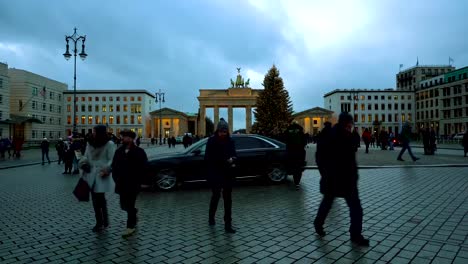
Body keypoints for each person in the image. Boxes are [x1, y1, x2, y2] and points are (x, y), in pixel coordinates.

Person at [314, 112, 369, 246]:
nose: (351, 127)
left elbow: (319, 156)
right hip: (341, 179)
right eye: (350, 125)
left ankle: (319, 223)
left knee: (329, 203)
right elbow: (322, 157)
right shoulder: (339, 137)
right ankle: (355, 235)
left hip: (338, 179)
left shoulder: (333, 135)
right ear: (346, 124)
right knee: (354, 208)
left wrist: (324, 173)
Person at [79, 125, 116, 232]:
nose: (93, 133)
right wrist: (84, 163)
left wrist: (107, 169)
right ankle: (101, 222)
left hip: (101, 173)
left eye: (95, 131)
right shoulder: (90, 143)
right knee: (96, 199)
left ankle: (102, 222)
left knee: (99, 199)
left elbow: (112, 159)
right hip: (90, 173)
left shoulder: (109, 144)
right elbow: (85, 156)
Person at [112, 129, 148, 238]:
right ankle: (134, 213)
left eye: (125, 137)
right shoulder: (119, 151)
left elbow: (144, 168)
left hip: (133, 183)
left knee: (130, 204)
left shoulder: (139, 151)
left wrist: (142, 182)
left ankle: (130, 226)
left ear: (131, 138)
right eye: (122, 136)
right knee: (123, 205)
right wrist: (116, 178)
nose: (122, 138)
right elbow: (114, 165)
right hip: (121, 183)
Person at [205, 118, 237, 234]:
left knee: (228, 199)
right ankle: (211, 217)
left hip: (227, 173)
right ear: (217, 131)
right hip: (216, 173)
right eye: (221, 131)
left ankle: (228, 224)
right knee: (216, 196)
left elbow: (234, 154)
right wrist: (225, 160)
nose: (223, 134)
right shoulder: (211, 141)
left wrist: (233, 159)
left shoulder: (230, 141)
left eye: (225, 131)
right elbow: (208, 158)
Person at [284, 121, 307, 190]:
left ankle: (295, 180)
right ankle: (297, 182)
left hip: (291, 152)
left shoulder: (288, 131)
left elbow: (285, 140)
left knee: (293, 166)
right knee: (298, 168)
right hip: (299, 152)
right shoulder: (300, 131)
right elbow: (304, 142)